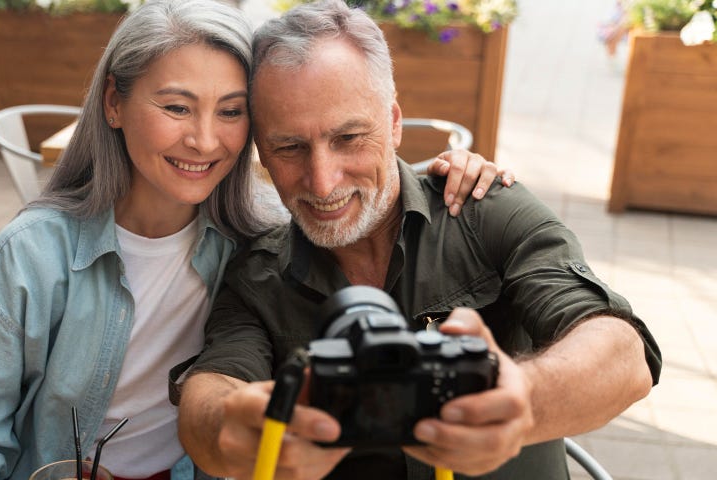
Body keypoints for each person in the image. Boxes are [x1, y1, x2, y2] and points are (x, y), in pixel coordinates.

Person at [0, 1, 506, 480]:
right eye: (176, 106)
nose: (203, 140)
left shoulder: (267, 234)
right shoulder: (30, 257)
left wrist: (451, 168)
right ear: (114, 103)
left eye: (231, 111)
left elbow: (360, 188)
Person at [175, 1, 663, 480]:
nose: (322, 182)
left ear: (393, 123)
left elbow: (623, 353)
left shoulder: (485, 211)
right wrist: (237, 428)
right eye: (289, 147)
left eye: (348, 138)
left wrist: (523, 400)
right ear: (261, 149)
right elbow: (211, 393)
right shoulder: (257, 275)